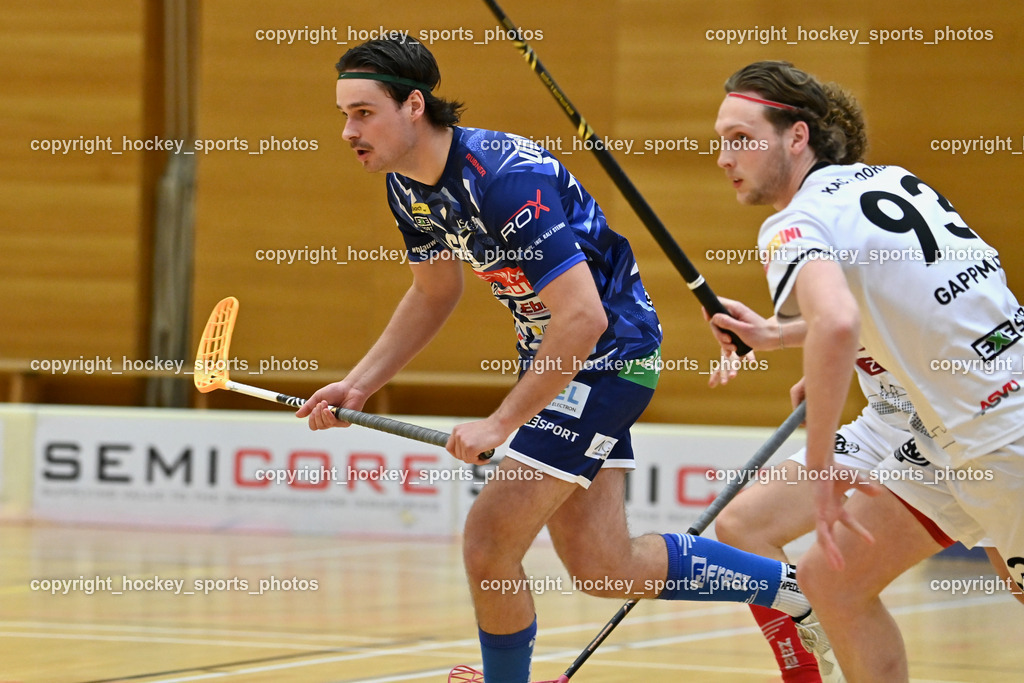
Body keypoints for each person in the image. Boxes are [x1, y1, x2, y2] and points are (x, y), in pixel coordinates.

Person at [298, 38, 833, 683]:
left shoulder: (502, 180)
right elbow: (433, 292)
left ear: (414, 105)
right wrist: (357, 386)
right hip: (558, 357)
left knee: (489, 541)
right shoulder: (408, 188)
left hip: (605, 356)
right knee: (605, 567)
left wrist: (500, 422)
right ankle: (793, 590)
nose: (348, 131)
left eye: (362, 113)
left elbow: (585, 316)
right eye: (344, 114)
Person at [708, 60, 1024, 682]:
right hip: (939, 430)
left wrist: (822, 463)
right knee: (832, 581)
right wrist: (780, 334)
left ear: (796, 137)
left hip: (997, 434)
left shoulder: (792, 224)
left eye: (741, 138)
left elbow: (839, 323)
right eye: (721, 141)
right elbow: (900, 306)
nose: (725, 157)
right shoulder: (887, 180)